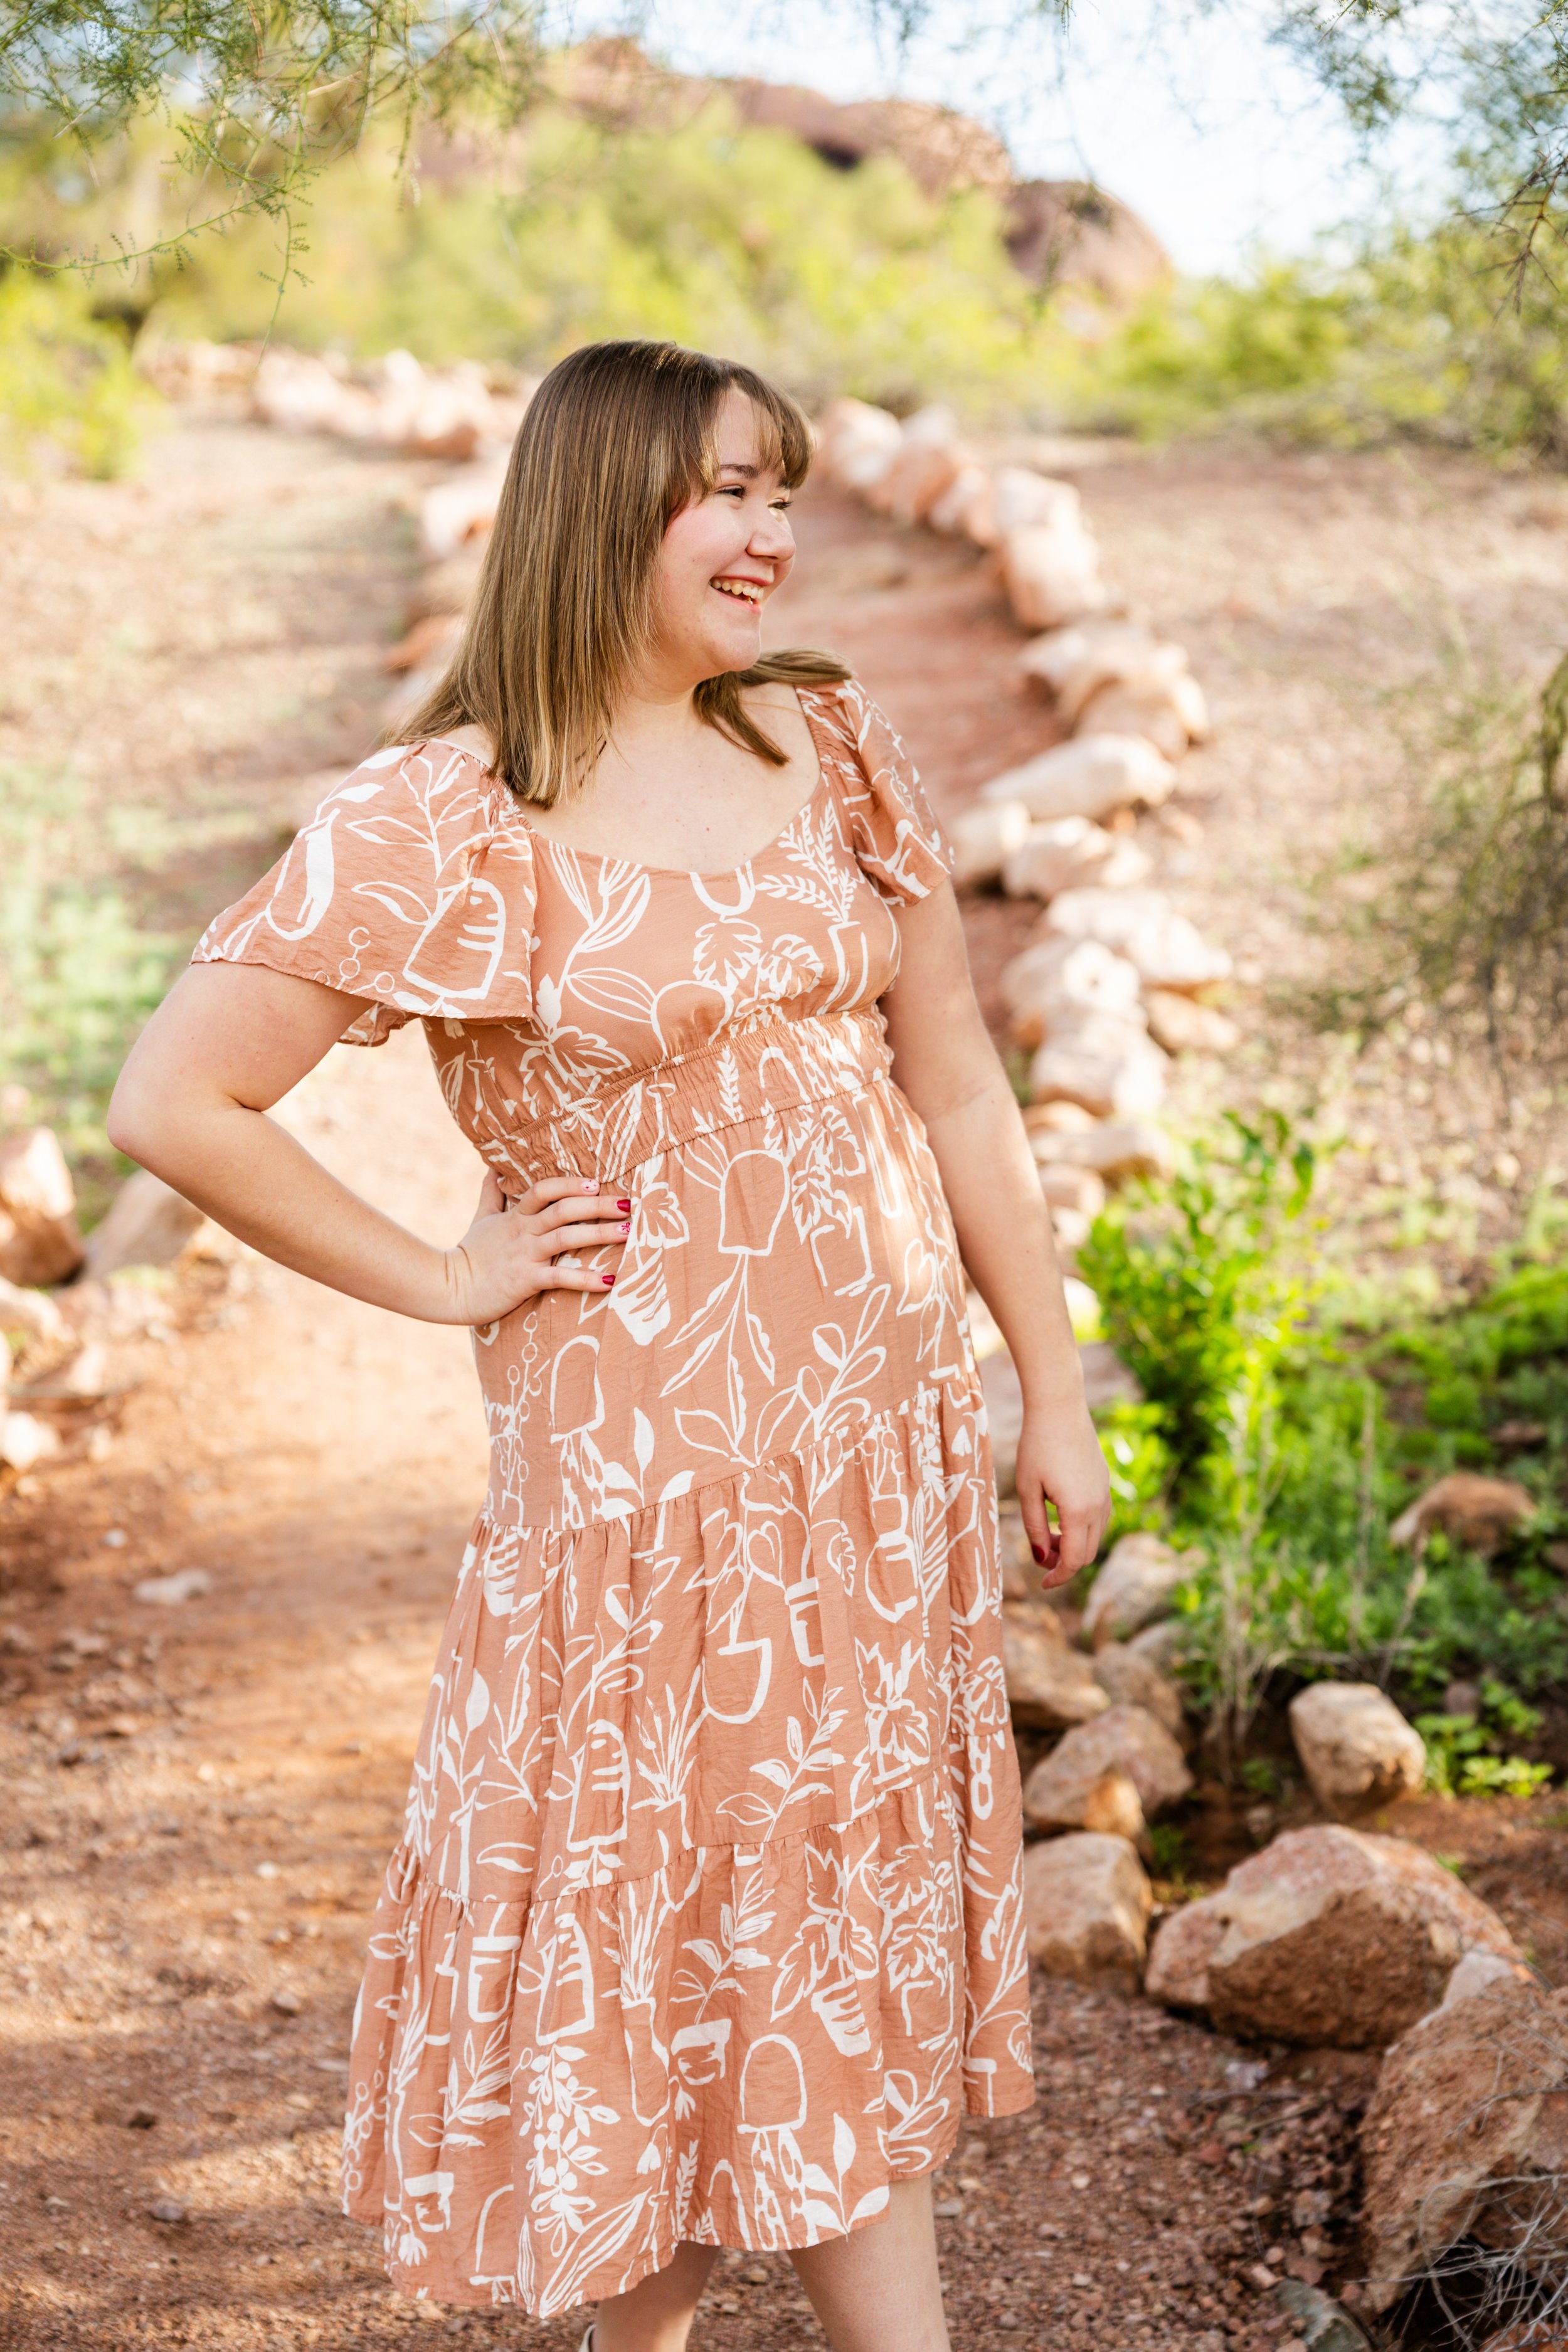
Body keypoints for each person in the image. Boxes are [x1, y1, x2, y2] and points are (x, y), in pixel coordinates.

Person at [108, 339, 1110, 2352]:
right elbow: (173, 1104)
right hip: (644, 1485)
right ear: (602, 507)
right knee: (652, 1924)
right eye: (725, 492)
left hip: (873, 1454)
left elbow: (962, 1088)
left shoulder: (830, 746)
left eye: (781, 490)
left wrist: (1047, 1385)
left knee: (830, 1905)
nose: (769, 533)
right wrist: (443, 1274)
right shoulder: (448, 807)